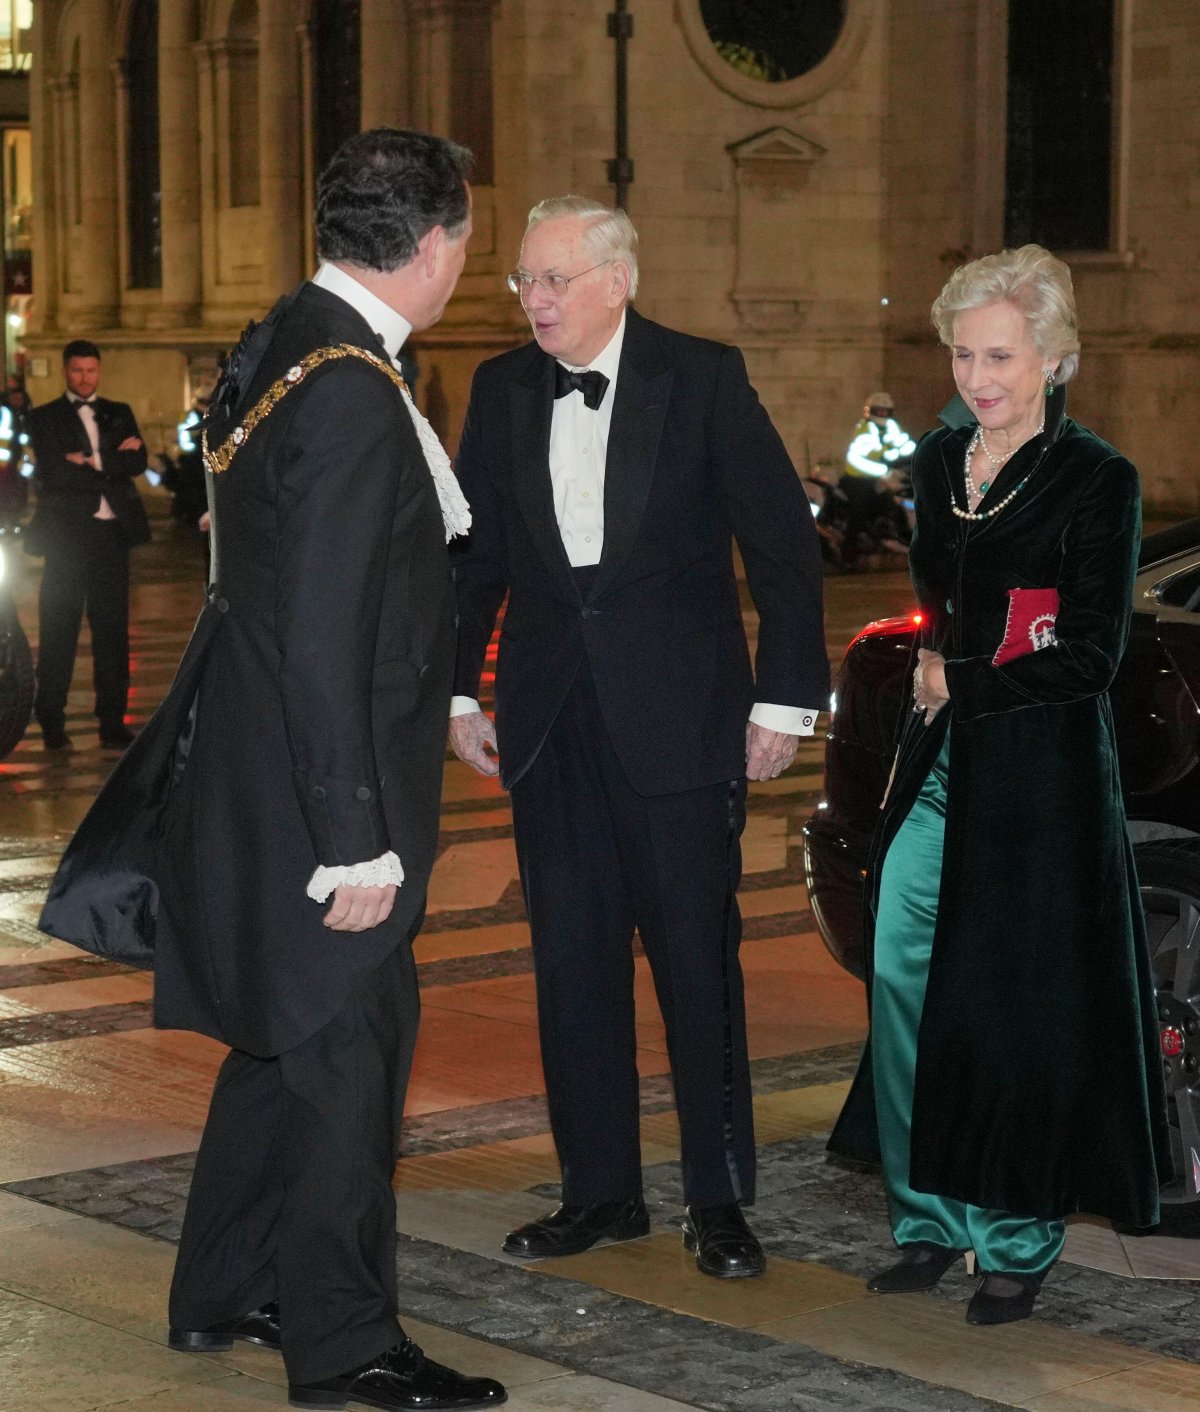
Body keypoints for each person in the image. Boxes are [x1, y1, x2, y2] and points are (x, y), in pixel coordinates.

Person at [39, 129, 504, 1411]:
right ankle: (346, 1343)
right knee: (353, 1057)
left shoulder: (290, 334)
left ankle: (219, 1287)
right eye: (466, 238)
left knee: (280, 1044)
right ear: (431, 249)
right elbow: (321, 626)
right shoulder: (355, 387)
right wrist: (355, 839)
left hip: (258, 771)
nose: (467, 259)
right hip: (319, 798)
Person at [449, 196, 828, 1279]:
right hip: (549, 720)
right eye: (526, 279)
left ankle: (718, 1198)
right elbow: (475, 555)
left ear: (617, 278)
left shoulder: (701, 376)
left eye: (554, 278)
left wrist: (782, 700)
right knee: (572, 964)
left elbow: (783, 546)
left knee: (695, 965)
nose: (534, 299)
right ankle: (600, 1190)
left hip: (684, 719)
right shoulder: (501, 386)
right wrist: (460, 697)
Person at [828, 244, 1172, 1325]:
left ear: (1055, 358)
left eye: (1002, 355)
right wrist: (948, 680)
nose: (979, 377)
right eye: (965, 353)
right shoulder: (937, 462)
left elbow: (1092, 654)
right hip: (944, 766)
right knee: (899, 970)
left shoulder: (1097, 479)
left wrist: (956, 676)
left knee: (1013, 1006)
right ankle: (927, 1213)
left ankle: (1015, 1235)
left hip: (1041, 779)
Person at [27, 341, 150, 750]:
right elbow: (52, 472)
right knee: (58, 631)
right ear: (66, 370)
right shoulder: (43, 417)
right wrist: (110, 461)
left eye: (91, 370)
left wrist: (90, 462)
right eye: (78, 370)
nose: (85, 378)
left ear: (99, 371)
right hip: (65, 539)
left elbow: (138, 462)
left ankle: (112, 722)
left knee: (113, 633)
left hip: (110, 537)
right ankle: (51, 721)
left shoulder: (119, 412)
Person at [839, 391, 914, 565]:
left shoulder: (891, 427)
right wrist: (883, 468)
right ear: (871, 411)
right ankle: (848, 554)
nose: (882, 414)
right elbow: (855, 460)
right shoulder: (865, 431)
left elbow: (905, 443)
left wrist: (919, 452)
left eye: (885, 411)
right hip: (858, 479)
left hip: (883, 477)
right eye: (879, 411)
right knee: (860, 511)